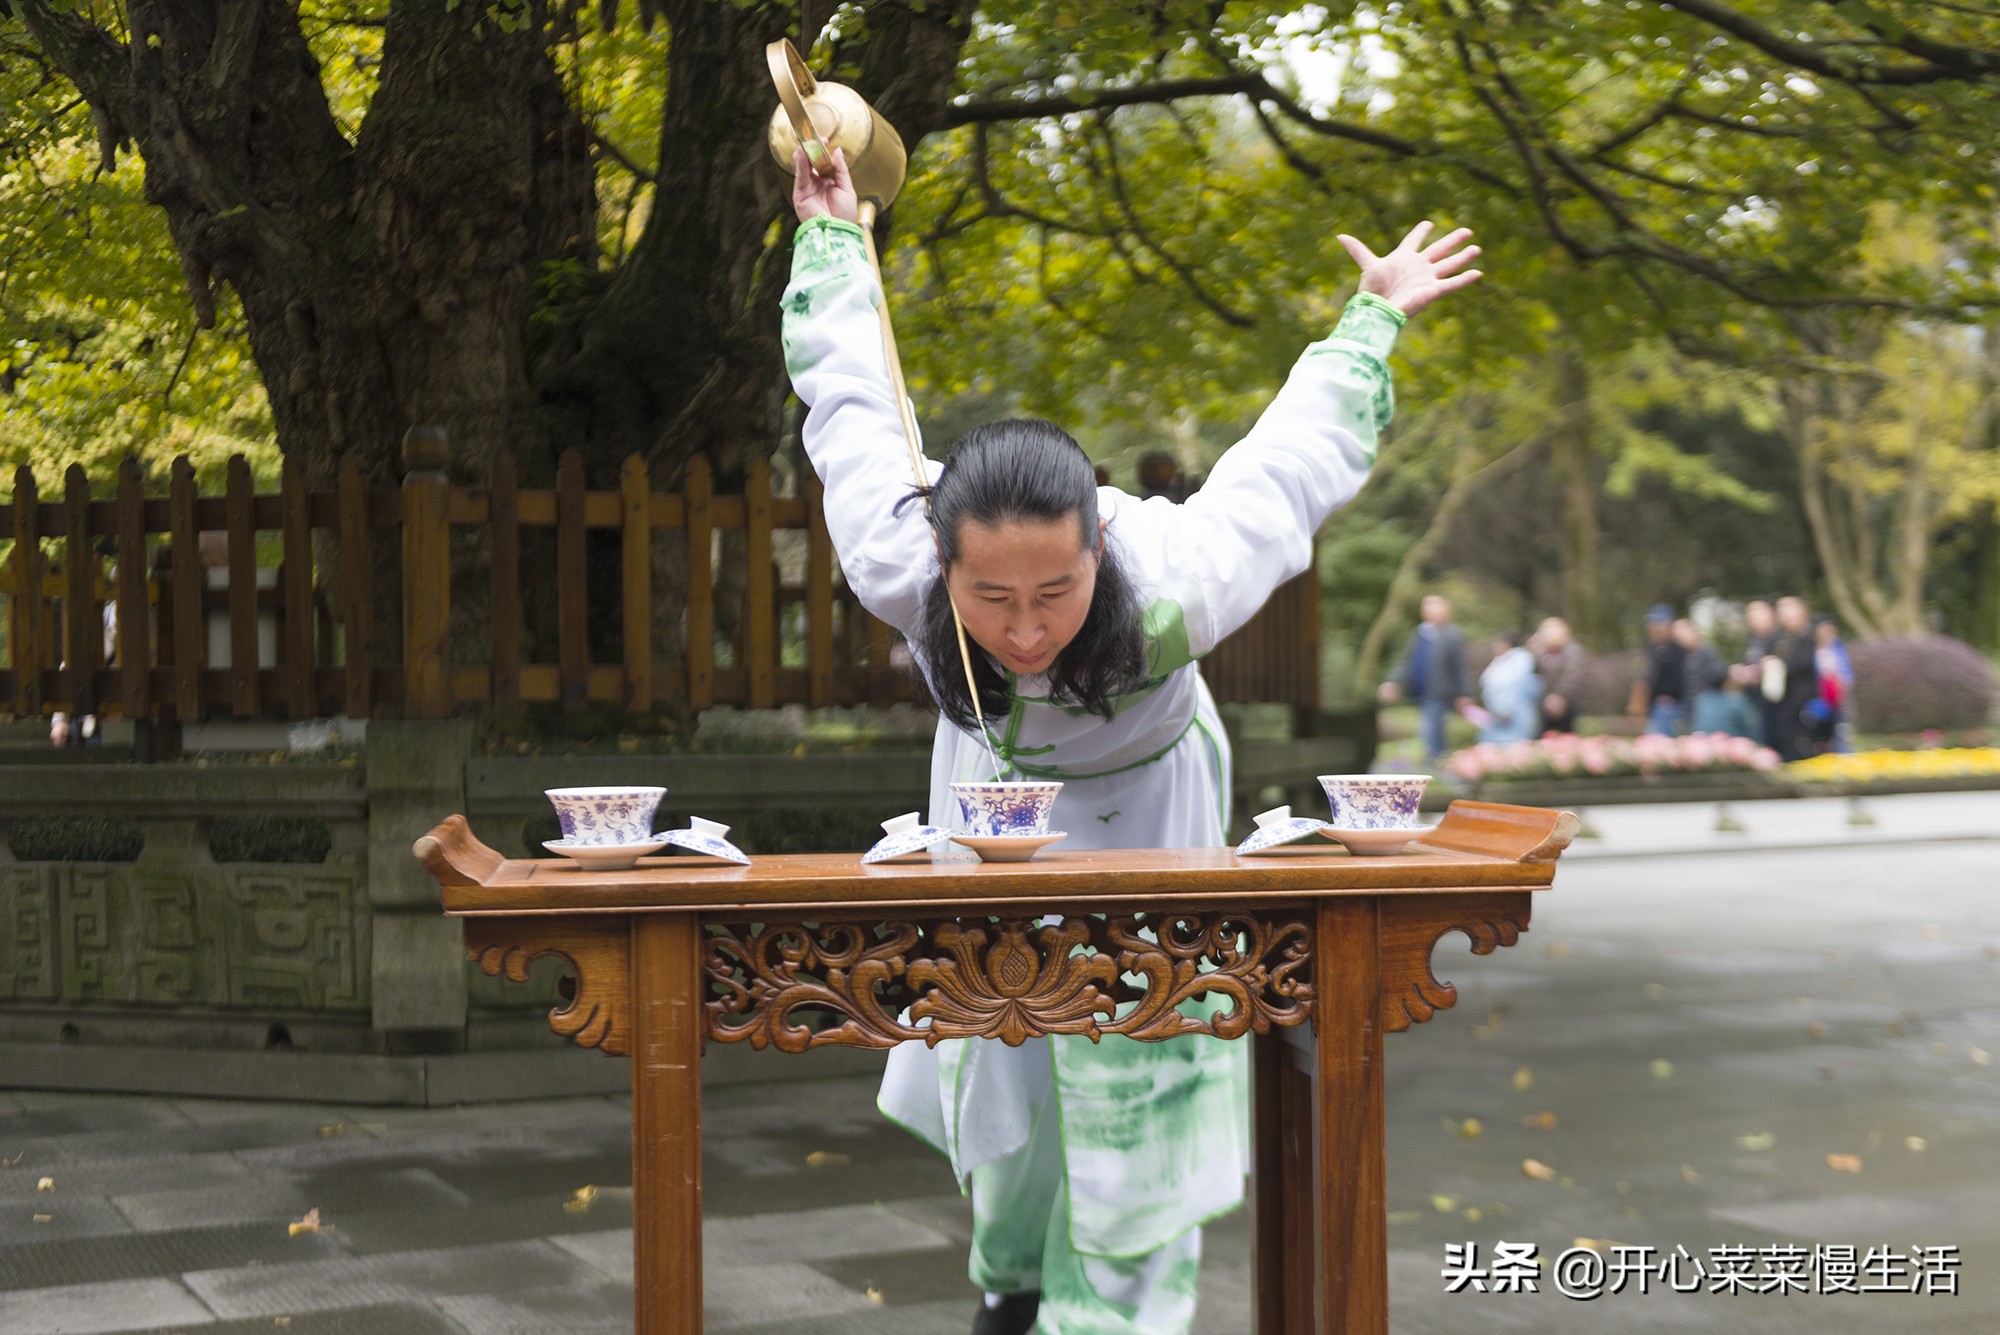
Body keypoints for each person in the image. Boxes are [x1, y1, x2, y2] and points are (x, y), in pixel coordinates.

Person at [785, 146, 1482, 1335]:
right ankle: (1009, 1288)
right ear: (940, 564)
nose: (1022, 631)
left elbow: (1287, 465)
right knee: (997, 1058)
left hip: (1145, 807)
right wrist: (832, 239)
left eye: (1051, 595)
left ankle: (1116, 1316)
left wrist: (1369, 320)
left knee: (1133, 1088)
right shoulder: (896, 559)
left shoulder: (1176, 579)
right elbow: (852, 402)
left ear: (1098, 552)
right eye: (988, 601)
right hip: (988, 807)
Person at [1379, 594, 1472, 765]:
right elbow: (1407, 662)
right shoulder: (1419, 633)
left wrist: (1463, 694)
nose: (1431, 611)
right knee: (1433, 732)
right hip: (1422, 693)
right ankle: (1439, 764)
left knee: (1432, 731)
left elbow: (1460, 667)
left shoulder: (1452, 634)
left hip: (1440, 693)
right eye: (1428, 607)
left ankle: (1437, 765)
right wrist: (1393, 682)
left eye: (1436, 607)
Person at [1765, 595, 1821, 762]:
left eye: (1789, 609)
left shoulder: (1813, 636)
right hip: (1785, 706)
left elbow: (1806, 663)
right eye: (1781, 610)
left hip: (1809, 705)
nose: (1785, 614)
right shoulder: (1779, 640)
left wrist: (1779, 664)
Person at [1477, 631, 1543, 744]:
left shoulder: (1520, 659)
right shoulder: (1502, 660)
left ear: (1506, 644)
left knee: (1514, 749)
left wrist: (1504, 707)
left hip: (1512, 714)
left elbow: (1513, 685)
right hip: (1498, 714)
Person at [1731, 597, 1777, 745]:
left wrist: (1761, 671)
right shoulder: (1752, 641)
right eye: (1749, 616)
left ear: (1770, 614)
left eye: (1756, 614)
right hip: (1754, 699)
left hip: (1775, 703)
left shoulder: (1779, 638)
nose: (1752, 619)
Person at [1809, 615, 1855, 754]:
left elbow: (1846, 672)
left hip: (1839, 696)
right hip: (1820, 698)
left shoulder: (1838, 649)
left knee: (1842, 728)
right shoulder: (1812, 650)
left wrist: (1844, 682)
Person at [1532, 616, 1585, 734]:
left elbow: (1572, 674)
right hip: (1545, 702)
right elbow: (1537, 674)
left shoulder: (1572, 651)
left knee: (1566, 735)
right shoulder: (1542, 653)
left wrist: (1559, 696)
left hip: (1567, 701)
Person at [1640, 604, 1687, 736]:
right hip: (1653, 706)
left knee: (1656, 738)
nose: (1654, 627)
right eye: (1652, 623)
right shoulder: (1650, 649)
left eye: (1659, 623)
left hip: (1671, 706)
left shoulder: (1679, 650)